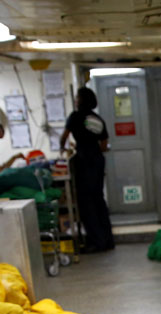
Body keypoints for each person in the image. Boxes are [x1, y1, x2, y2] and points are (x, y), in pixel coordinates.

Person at [60, 87, 115, 253]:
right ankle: (107, 241)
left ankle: (96, 242)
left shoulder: (75, 117)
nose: (76, 100)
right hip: (97, 161)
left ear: (80, 100)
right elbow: (104, 144)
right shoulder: (97, 119)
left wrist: (64, 149)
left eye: (77, 97)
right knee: (99, 200)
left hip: (83, 162)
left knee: (86, 203)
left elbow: (64, 137)